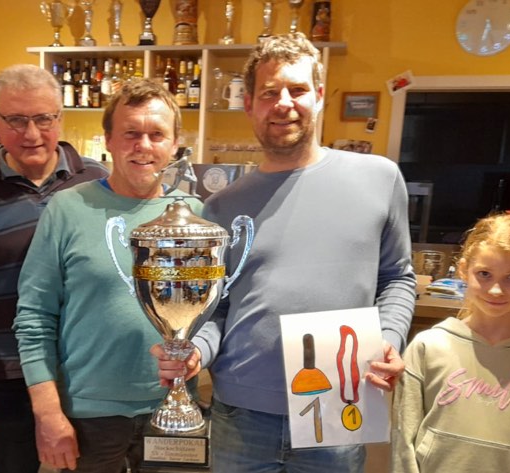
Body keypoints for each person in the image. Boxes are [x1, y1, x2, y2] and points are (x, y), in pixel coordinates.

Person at [153, 33, 415, 472]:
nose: (284, 104)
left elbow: (397, 277)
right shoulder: (222, 207)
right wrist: (195, 349)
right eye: (269, 92)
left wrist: (388, 337)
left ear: (319, 96)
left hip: (337, 404)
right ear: (249, 104)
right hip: (241, 414)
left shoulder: (380, 179)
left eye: (297, 89)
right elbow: (216, 308)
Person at [13, 79, 202, 472]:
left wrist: (199, 352)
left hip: (173, 408)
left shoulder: (195, 216)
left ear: (175, 145)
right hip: (88, 414)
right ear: (109, 140)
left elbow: (214, 310)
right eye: (131, 133)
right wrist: (47, 413)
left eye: (157, 135)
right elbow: (34, 317)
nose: (143, 146)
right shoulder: (67, 209)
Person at [0, 63, 108, 473]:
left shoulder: (97, 181)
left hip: (85, 366)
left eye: (43, 118)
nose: (31, 133)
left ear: (59, 118)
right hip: (5, 369)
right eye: (16, 120)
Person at [391, 213, 510, 472]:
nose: (496, 290)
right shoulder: (428, 347)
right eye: (484, 274)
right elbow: (403, 440)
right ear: (463, 270)